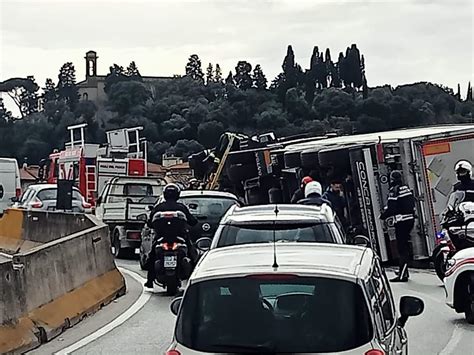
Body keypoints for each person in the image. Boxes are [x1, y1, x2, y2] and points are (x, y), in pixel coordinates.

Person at [145, 183, 198, 289]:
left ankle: (150, 281)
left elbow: (150, 223)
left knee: (152, 257)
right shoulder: (181, 207)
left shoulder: (159, 207)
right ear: (177, 195)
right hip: (179, 238)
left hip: (162, 238)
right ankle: (195, 280)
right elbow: (193, 221)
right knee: (193, 256)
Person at [380, 170, 415, 282]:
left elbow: (392, 208)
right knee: (404, 246)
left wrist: (382, 216)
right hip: (410, 220)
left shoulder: (394, 190)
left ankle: (402, 275)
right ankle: (403, 271)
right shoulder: (406, 189)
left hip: (401, 221)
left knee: (401, 248)